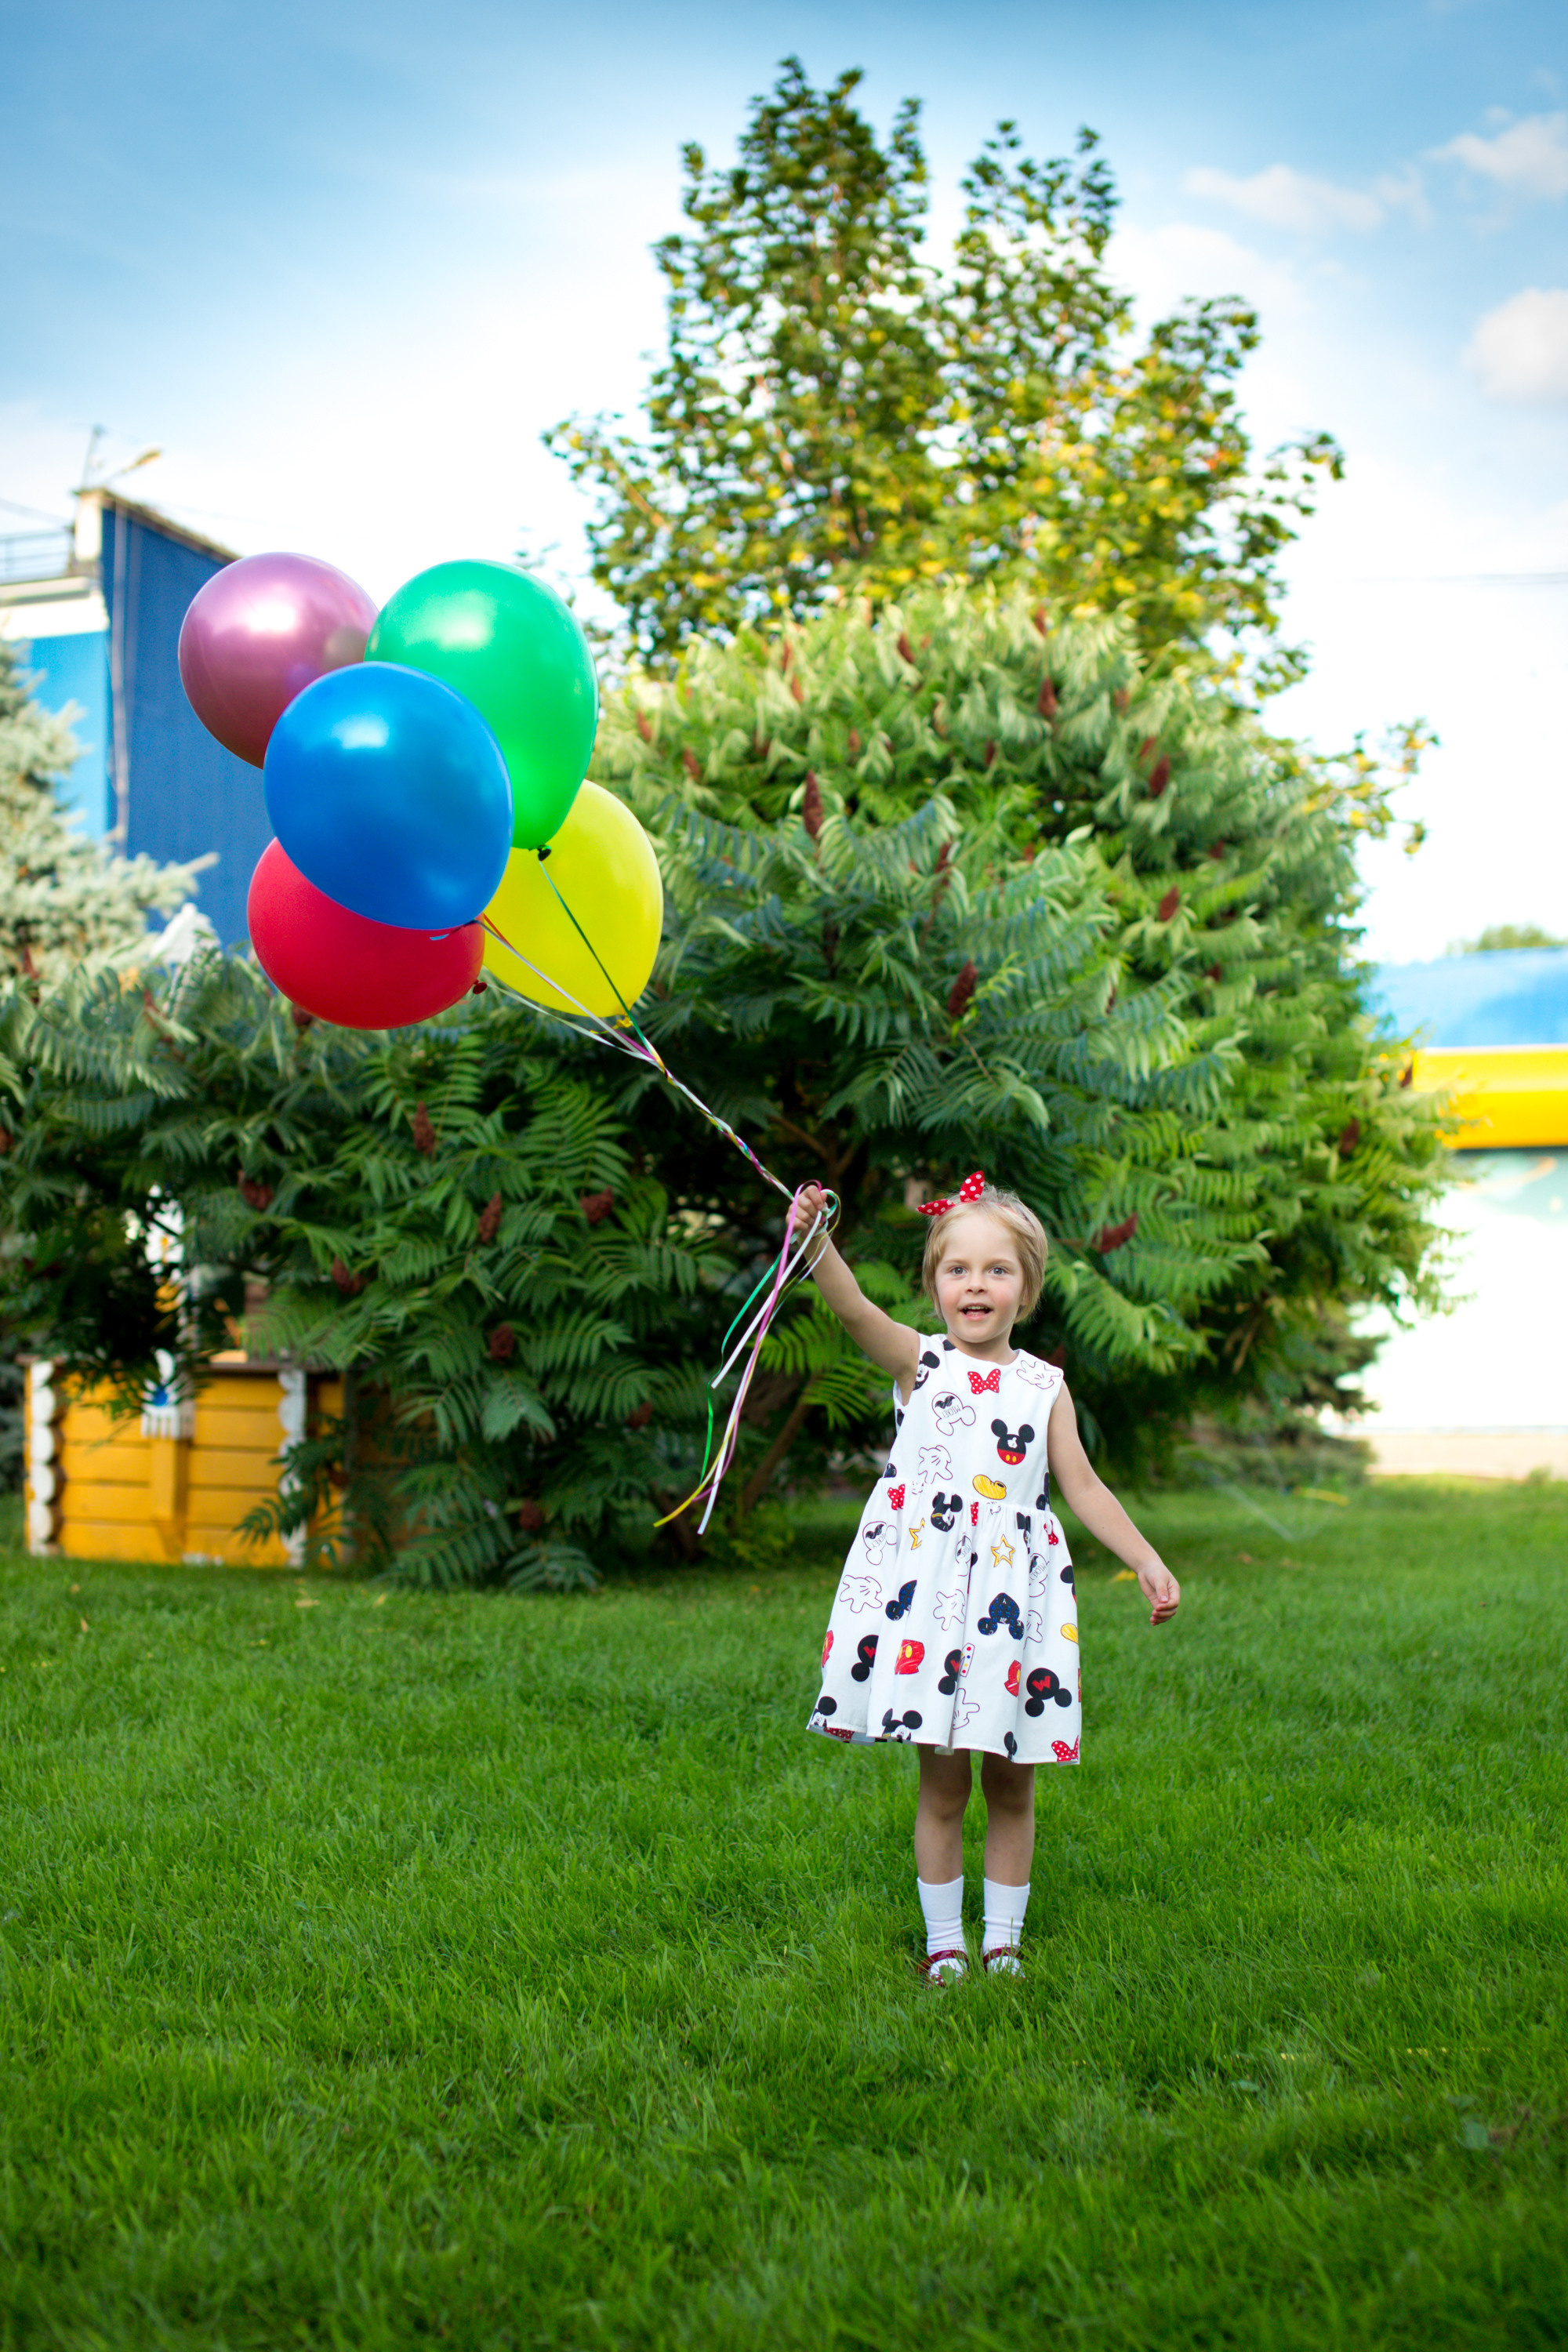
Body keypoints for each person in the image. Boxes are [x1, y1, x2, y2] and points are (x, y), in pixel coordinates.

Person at [793, 1169, 1179, 1984]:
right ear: (933, 1285)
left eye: (995, 1270)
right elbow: (855, 1310)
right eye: (956, 1269)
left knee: (1010, 1782)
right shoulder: (918, 1363)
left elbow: (1081, 1487)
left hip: (1010, 1609)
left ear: (1025, 1288)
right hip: (929, 1609)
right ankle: (945, 1944)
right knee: (941, 1786)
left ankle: (1002, 1941)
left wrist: (1143, 1558)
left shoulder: (1043, 1388)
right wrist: (815, 1241)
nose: (975, 1284)